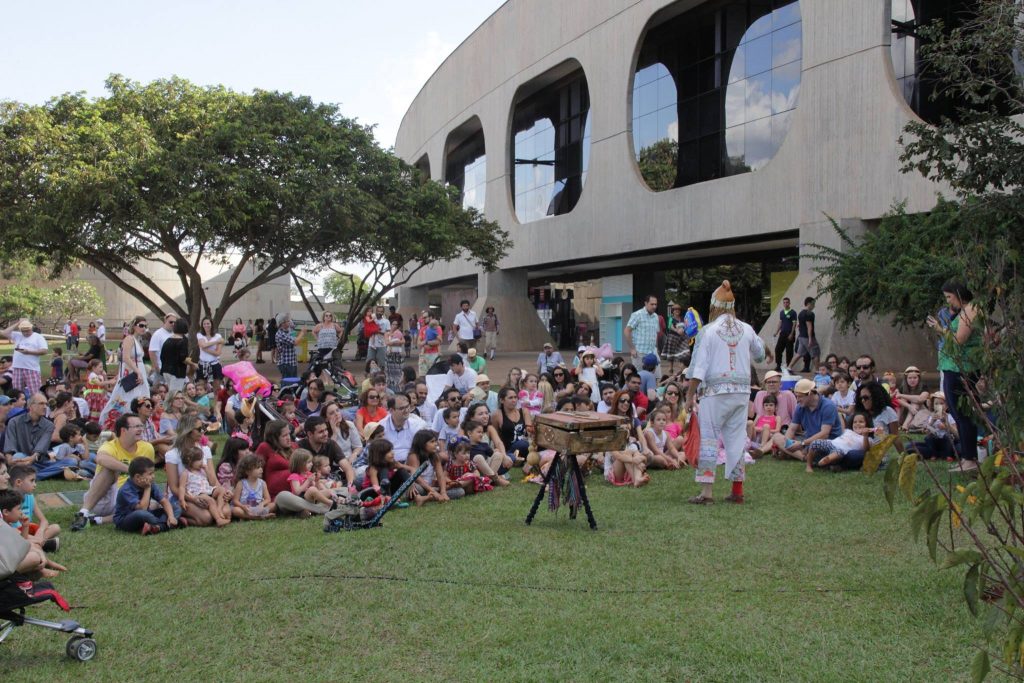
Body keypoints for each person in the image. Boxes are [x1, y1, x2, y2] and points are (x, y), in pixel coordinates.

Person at [685, 281, 771, 504]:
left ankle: (706, 492)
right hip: (741, 393)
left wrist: (689, 395)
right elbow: (760, 355)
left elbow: (698, 368)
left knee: (709, 439)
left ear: (714, 306)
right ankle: (737, 491)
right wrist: (765, 347)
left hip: (714, 393)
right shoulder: (747, 329)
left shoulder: (707, 331)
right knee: (736, 440)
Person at [927, 279, 983, 472]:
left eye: (949, 297)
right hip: (953, 366)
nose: (948, 301)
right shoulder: (964, 310)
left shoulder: (970, 309)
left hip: (962, 369)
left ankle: (970, 458)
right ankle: (967, 457)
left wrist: (939, 329)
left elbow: (959, 339)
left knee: (963, 413)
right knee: (958, 413)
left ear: (959, 294)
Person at [72, 412, 155, 530]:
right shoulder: (110, 445)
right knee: (110, 470)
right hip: (104, 497)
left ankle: (95, 520)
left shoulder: (147, 448)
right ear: (123, 430)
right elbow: (101, 458)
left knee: (155, 504)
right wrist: (131, 470)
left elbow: (150, 474)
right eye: (137, 426)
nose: (141, 429)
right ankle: (83, 513)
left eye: (141, 426)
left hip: (130, 497)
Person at [770, 379, 844, 472]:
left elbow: (824, 434)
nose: (797, 400)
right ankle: (805, 458)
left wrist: (801, 444)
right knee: (777, 437)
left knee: (814, 446)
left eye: (800, 396)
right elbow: (792, 429)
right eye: (796, 396)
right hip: (808, 442)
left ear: (810, 394)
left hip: (827, 444)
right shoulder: (800, 407)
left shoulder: (828, 406)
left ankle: (807, 456)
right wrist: (787, 444)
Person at [98, 316, 151, 427]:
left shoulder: (137, 340)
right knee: (127, 398)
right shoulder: (129, 339)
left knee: (140, 398)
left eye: (145, 326)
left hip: (137, 372)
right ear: (134, 326)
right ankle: (118, 423)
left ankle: (137, 423)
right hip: (133, 373)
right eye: (141, 325)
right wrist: (138, 372)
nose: (143, 328)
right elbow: (126, 358)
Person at [114, 456, 179, 535]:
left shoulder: (151, 483)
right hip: (126, 520)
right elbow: (142, 508)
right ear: (138, 477)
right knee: (142, 514)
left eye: (153, 473)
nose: (153, 476)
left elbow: (164, 501)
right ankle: (165, 525)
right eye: (150, 474)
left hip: (147, 514)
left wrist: (171, 516)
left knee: (175, 508)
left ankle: (156, 527)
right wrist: (147, 488)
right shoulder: (126, 489)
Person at [178, 446, 231, 527]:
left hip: (208, 490)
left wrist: (207, 470)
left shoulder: (202, 470)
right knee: (211, 501)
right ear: (190, 461)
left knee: (221, 490)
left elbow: (212, 483)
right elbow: (181, 487)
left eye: (202, 459)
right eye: (199, 460)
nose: (201, 462)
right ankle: (218, 519)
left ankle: (219, 509)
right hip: (198, 494)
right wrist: (182, 499)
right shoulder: (186, 473)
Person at [298, 416, 356, 486]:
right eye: (321, 432)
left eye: (326, 430)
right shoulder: (299, 448)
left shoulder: (331, 444)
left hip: (328, 482)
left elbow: (347, 468)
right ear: (310, 434)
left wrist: (350, 486)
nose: (325, 434)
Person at [3, 393, 54, 469]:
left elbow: (41, 448)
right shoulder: (14, 422)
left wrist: (32, 459)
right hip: (21, 459)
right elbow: (9, 446)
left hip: (39, 461)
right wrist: (10, 460)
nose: (45, 407)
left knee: (69, 462)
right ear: (31, 406)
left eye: (46, 404)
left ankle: (30, 472)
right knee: (17, 456)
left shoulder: (49, 425)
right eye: (41, 403)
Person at [2, 319, 49, 397]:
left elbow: (44, 351)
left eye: (28, 330)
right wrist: (18, 323)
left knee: (35, 392)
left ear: (31, 328)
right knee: (17, 392)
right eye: (23, 331)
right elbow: (4, 333)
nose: (26, 333)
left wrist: (29, 352)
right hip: (17, 367)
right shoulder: (18, 335)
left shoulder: (38, 337)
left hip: (31, 368)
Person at [231, 454, 277, 519]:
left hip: (258, 508)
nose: (261, 470)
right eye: (258, 467)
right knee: (235, 510)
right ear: (248, 471)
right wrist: (242, 506)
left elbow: (268, 499)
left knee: (273, 505)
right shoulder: (241, 483)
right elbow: (235, 501)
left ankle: (253, 516)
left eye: (261, 467)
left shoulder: (262, 483)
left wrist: (262, 504)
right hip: (246, 509)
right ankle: (259, 517)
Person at [625, 295, 661, 374]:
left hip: (652, 353)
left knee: (654, 377)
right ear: (646, 303)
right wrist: (632, 348)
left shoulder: (656, 316)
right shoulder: (637, 315)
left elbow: (655, 334)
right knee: (639, 377)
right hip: (640, 353)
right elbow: (627, 331)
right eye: (652, 304)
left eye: (655, 304)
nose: (654, 306)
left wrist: (656, 348)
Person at [788, 297, 819, 374]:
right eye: (813, 304)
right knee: (815, 353)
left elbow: (800, 324)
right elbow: (809, 326)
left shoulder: (801, 313)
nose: (814, 306)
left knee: (799, 353)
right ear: (808, 304)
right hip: (807, 337)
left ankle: (789, 367)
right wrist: (810, 339)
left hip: (801, 337)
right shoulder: (809, 314)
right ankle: (818, 371)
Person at [147, 313, 177, 386]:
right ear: (165, 320)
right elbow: (152, 352)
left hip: (174, 371)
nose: (173, 324)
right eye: (171, 322)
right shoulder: (158, 334)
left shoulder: (175, 334)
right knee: (160, 390)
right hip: (161, 370)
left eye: (175, 322)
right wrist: (157, 368)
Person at [274, 314, 304, 380]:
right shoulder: (280, 334)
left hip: (292, 362)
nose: (289, 322)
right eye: (287, 321)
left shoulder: (288, 331)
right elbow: (295, 342)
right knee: (288, 382)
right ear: (282, 323)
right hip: (286, 363)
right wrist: (302, 333)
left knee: (293, 382)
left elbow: (296, 342)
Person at [773, 297, 798, 372]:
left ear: (789, 303)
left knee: (789, 351)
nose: (785, 304)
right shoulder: (781, 312)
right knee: (778, 349)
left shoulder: (793, 312)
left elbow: (794, 324)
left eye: (787, 302)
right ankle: (778, 365)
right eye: (784, 302)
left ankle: (789, 367)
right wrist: (776, 332)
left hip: (789, 334)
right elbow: (780, 322)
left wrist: (791, 334)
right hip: (782, 334)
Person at [384, 319, 405, 391]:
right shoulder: (387, 333)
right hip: (390, 354)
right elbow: (387, 343)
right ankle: (390, 387)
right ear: (390, 325)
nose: (395, 326)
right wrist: (397, 342)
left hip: (398, 355)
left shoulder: (399, 333)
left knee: (399, 371)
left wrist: (394, 342)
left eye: (396, 324)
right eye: (393, 324)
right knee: (389, 372)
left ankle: (398, 387)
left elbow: (403, 341)